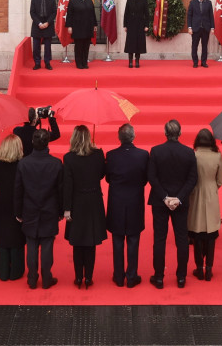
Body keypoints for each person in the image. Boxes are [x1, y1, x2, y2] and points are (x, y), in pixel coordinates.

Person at [147, 119, 198, 288]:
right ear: (180, 133)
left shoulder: (155, 151)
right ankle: (181, 277)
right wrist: (179, 198)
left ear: (165, 133)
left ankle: (159, 277)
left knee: (159, 239)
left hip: (160, 202)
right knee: (182, 239)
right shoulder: (189, 153)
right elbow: (192, 179)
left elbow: (152, 178)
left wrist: (164, 197)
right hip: (180, 203)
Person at [15, 128, 64, 289]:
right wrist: (62, 210)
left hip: (29, 209)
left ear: (32, 143)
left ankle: (32, 277)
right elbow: (60, 190)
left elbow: (18, 190)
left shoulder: (23, 163)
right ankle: (46, 277)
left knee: (31, 245)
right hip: (49, 209)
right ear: (47, 143)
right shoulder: (56, 164)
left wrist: (18, 211)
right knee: (47, 245)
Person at [105, 122, 149, 287]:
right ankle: (131, 276)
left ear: (119, 137)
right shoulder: (143, 155)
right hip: (135, 200)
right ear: (133, 136)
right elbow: (145, 179)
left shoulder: (111, 155)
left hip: (116, 201)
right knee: (133, 239)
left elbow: (108, 178)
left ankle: (118, 276)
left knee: (117, 239)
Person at [63, 125, 107, 288]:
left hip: (77, 202)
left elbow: (68, 185)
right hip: (94, 201)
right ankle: (88, 277)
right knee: (90, 241)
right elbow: (102, 174)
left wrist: (66, 208)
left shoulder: (69, 158)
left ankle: (78, 277)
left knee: (77, 241)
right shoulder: (98, 154)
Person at [188, 128, 222, 281]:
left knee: (197, 234)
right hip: (211, 195)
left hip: (195, 194)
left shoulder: (193, 155)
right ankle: (209, 268)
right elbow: (220, 181)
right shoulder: (217, 156)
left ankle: (199, 268)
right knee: (211, 235)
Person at [0, 135, 27, 282]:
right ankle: (16, 271)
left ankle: (3, 270)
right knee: (17, 235)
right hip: (17, 202)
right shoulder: (22, 165)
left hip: (0, 201)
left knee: (1, 235)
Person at [66, 0, 98, 69]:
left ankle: (85, 62)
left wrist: (95, 24)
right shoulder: (73, 1)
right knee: (79, 46)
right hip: (77, 27)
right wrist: (69, 26)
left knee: (86, 45)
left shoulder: (89, 0)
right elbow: (69, 15)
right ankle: (79, 63)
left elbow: (92, 13)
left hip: (88, 26)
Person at [30, 0, 57, 70]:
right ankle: (37, 63)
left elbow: (54, 12)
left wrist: (47, 23)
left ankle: (47, 63)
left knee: (48, 46)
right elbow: (32, 12)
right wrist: (39, 23)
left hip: (48, 25)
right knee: (36, 46)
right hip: (37, 26)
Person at [122, 0, 150, 68]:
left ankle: (137, 61)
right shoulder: (129, 0)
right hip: (131, 24)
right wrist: (125, 25)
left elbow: (147, 14)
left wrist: (146, 25)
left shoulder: (144, 0)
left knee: (139, 43)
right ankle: (130, 61)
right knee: (131, 43)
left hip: (140, 24)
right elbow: (126, 13)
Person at [186, 0, 214, 68]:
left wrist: (212, 28)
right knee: (194, 46)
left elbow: (211, 16)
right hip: (195, 28)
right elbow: (189, 16)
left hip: (205, 28)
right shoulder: (192, 3)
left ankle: (204, 62)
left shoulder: (208, 3)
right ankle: (195, 62)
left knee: (204, 46)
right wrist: (189, 27)